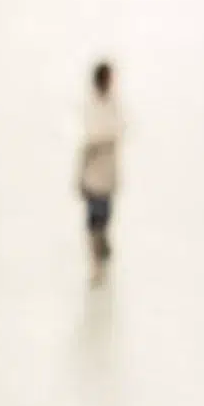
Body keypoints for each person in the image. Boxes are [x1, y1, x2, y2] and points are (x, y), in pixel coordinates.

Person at [77, 62, 125, 269]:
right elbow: (88, 138)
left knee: (104, 214)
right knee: (94, 215)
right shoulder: (91, 105)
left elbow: (119, 130)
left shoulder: (113, 105)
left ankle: (100, 249)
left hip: (106, 170)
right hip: (93, 168)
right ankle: (96, 256)